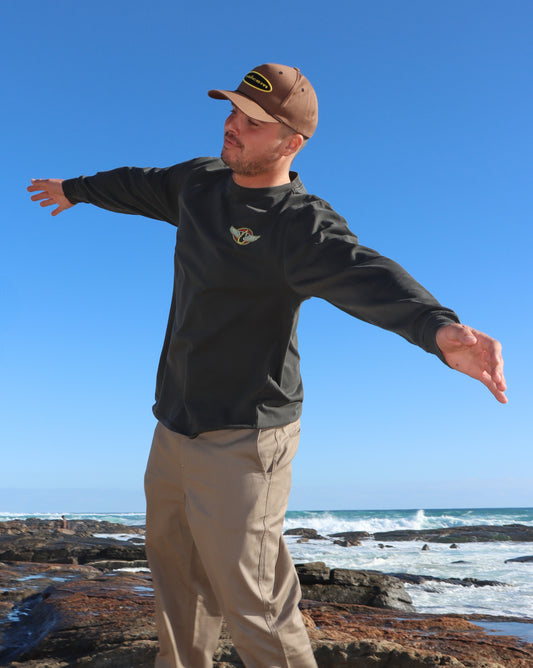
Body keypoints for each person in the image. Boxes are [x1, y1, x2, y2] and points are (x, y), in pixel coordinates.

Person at [28, 63, 507, 668]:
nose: (232, 126)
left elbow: (364, 272)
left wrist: (436, 327)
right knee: (177, 585)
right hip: (173, 424)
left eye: (252, 122)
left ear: (290, 142)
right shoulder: (199, 183)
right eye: (232, 112)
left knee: (255, 603)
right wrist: (75, 189)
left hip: (246, 436)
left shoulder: (298, 224)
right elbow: (138, 184)